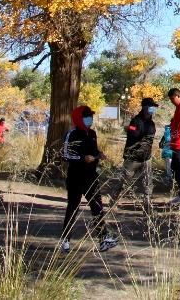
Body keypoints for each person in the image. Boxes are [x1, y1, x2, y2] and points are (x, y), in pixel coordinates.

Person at [59, 104, 118, 253]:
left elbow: (93, 151)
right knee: (73, 207)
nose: (89, 119)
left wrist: (99, 154)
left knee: (97, 207)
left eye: (90, 116)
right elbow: (65, 155)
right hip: (75, 177)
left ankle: (103, 239)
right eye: (86, 116)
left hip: (91, 176)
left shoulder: (92, 133)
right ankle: (65, 240)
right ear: (79, 118)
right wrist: (82, 158)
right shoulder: (71, 134)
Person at [118, 97, 158, 209]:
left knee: (148, 183)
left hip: (146, 158)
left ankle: (147, 204)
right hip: (132, 158)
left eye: (154, 107)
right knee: (124, 182)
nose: (153, 109)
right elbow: (132, 134)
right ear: (145, 107)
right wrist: (140, 134)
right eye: (151, 107)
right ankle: (114, 201)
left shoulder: (152, 123)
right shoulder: (135, 121)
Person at [159, 124, 174, 188]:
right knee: (172, 166)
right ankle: (172, 180)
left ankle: (169, 179)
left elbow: (160, 145)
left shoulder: (166, 133)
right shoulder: (176, 132)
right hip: (175, 152)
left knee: (168, 167)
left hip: (167, 152)